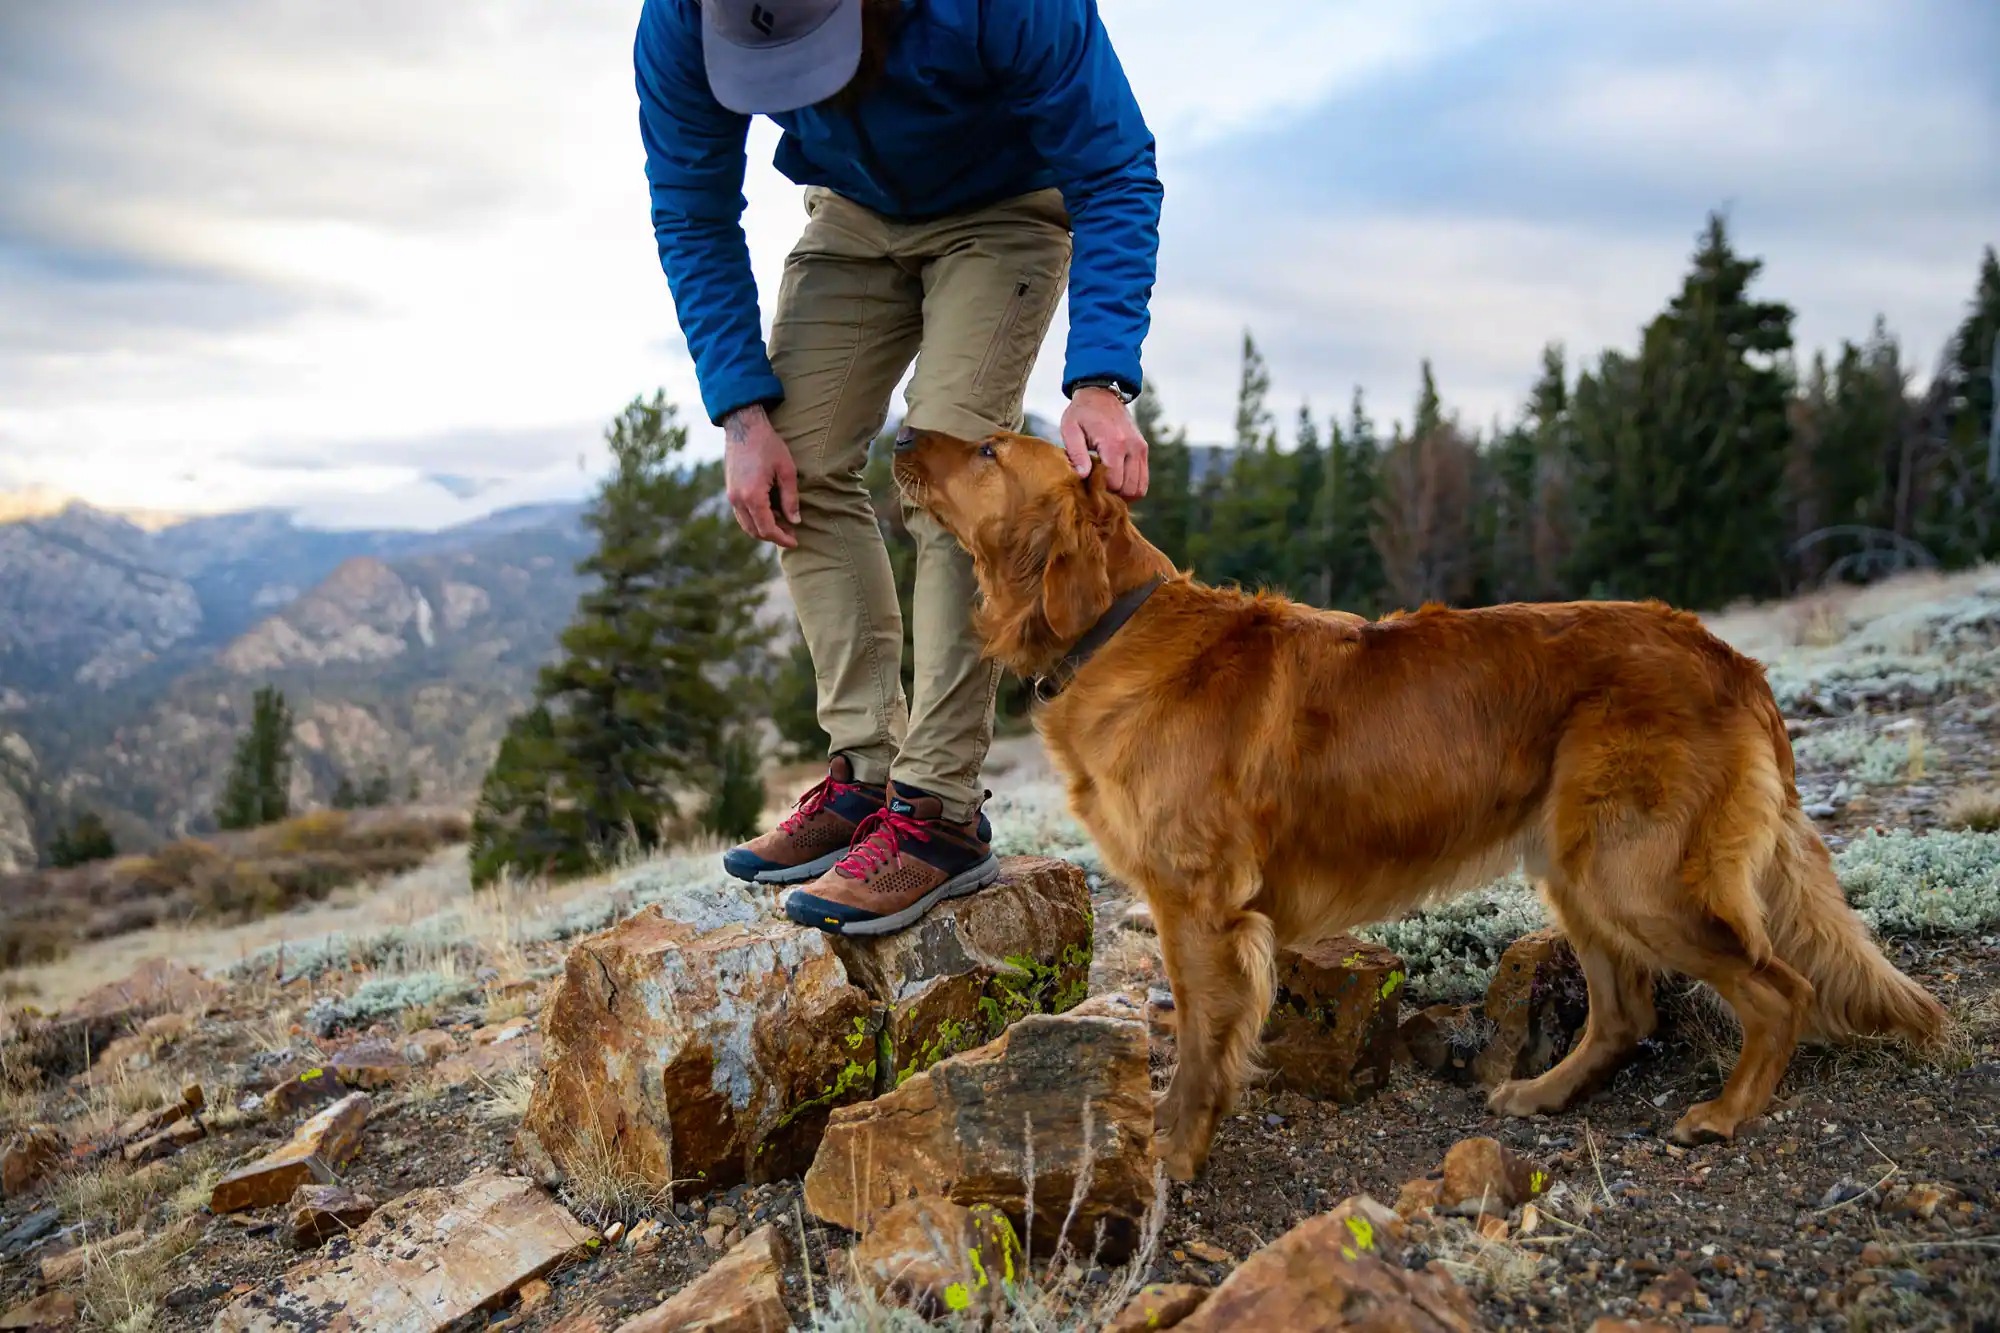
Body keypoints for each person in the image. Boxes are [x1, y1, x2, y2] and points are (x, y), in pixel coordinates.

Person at [633, 0, 1162, 935]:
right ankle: (867, 771)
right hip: (853, 213)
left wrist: (1103, 378)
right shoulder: (681, 17)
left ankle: (938, 811)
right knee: (798, 460)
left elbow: (1114, 165)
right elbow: (690, 205)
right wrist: (742, 410)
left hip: (1002, 210)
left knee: (949, 477)